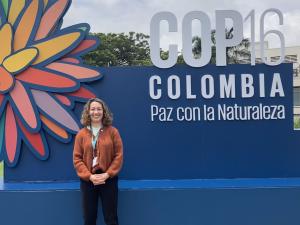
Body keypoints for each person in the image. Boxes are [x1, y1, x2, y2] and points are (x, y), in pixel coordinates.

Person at [73, 98, 123, 225]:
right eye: (93, 109)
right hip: (88, 182)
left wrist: (108, 174)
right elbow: (77, 159)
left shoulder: (113, 132)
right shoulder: (81, 134)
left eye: (99, 109)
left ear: (104, 112)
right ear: (88, 112)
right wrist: (89, 176)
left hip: (109, 180)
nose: (96, 112)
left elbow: (118, 155)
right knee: (89, 219)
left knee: (111, 218)